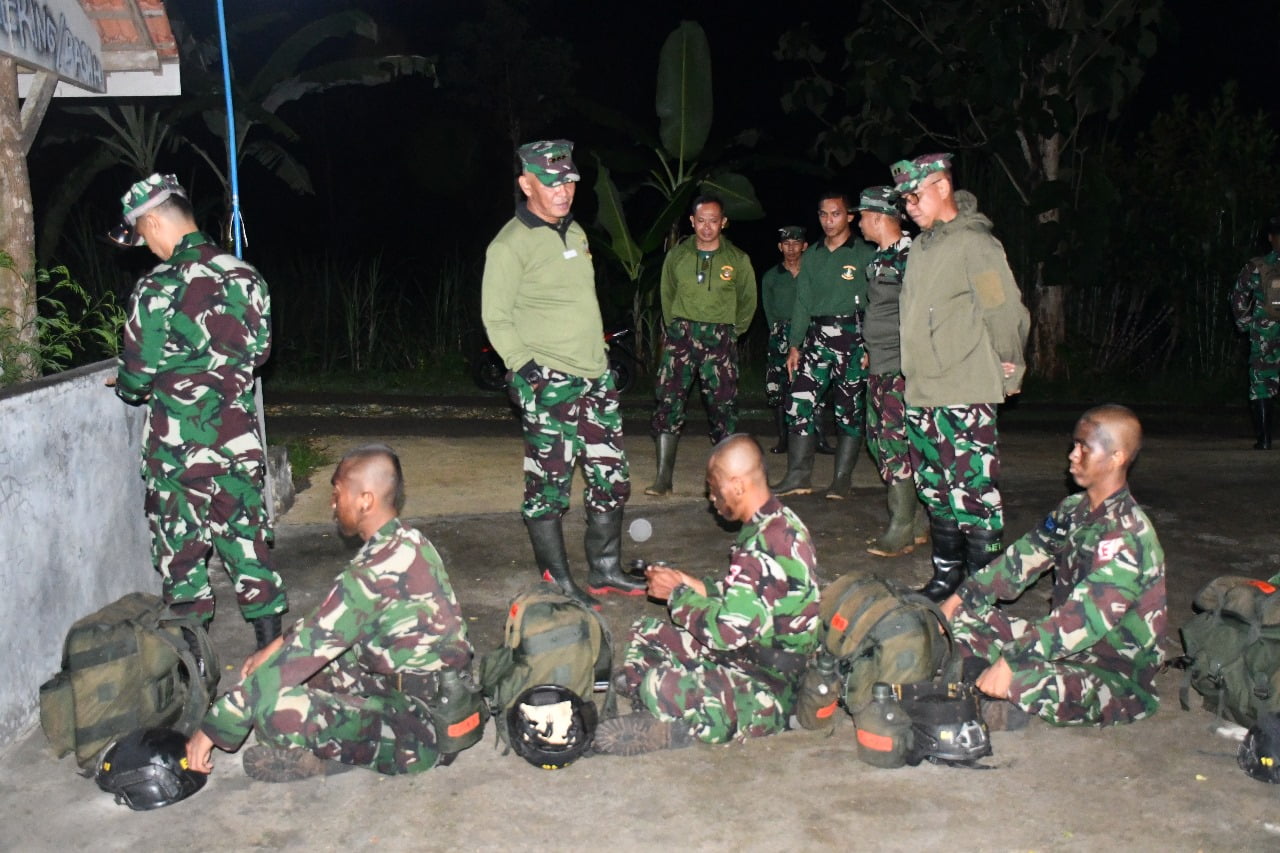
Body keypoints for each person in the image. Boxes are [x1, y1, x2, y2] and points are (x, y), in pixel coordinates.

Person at [185, 445, 478, 781]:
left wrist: (211, 729)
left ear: (365, 500)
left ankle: (345, 755)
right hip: (430, 692)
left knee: (274, 710)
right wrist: (277, 644)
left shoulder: (373, 572)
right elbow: (331, 620)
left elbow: (307, 650)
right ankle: (346, 735)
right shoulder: (406, 540)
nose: (333, 504)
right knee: (286, 669)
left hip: (420, 727)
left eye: (337, 493)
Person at [109, 172, 286, 650]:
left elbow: (136, 378)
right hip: (236, 445)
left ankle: (196, 678)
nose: (146, 245)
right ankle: (272, 661)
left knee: (182, 565)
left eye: (142, 233)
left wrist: (127, 383)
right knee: (249, 550)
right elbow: (260, 354)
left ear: (151, 220)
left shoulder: (156, 287)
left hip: (178, 457)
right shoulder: (248, 276)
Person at [481, 139, 641, 608]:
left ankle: (605, 569)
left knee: (611, 478)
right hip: (550, 381)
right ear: (526, 183)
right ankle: (557, 580)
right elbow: (496, 317)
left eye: (569, 181)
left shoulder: (575, 233)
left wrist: (602, 362)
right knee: (548, 489)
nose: (564, 191)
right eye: (552, 182)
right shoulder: (509, 244)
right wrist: (526, 371)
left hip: (596, 378)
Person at [940, 405, 1167, 728]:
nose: (1072, 455)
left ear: (1116, 458)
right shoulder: (1073, 509)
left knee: (1021, 676)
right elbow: (1021, 559)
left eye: (1084, 448)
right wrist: (959, 599)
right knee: (960, 619)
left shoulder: (1127, 534)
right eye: (1074, 445)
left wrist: (1012, 658)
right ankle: (985, 685)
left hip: (1114, 674)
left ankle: (993, 691)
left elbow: (1084, 620)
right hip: (1065, 648)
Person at [596, 435, 821, 755]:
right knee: (647, 633)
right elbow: (744, 597)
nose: (710, 496)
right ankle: (656, 699)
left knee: (661, 684)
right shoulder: (773, 522)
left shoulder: (766, 544)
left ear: (738, 485)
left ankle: (679, 716)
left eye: (714, 487)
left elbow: (728, 632)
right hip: (750, 652)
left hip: (773, 684)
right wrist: (687, 582)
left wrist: (677, 596)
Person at [891, 153, 1030, 602]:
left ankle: (983, 589)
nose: (909, 206)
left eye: (916, 195)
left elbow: (1003, 310)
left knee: (973, 493)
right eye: (904, 199)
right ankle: (947, 575)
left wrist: (1010, 365)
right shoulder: (922, 247)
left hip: (964, 389)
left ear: (943, 187)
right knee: (935, 489)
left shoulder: (975, 244)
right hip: (924, 390)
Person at [645, 195, 757, 495]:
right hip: (681, 335)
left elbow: (748, 301)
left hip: (719, 339)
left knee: (723, 408)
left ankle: (726, 480)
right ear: (692, 222)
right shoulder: (677, 256)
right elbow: (666, 293)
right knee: (668, 402)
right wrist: (675, 328)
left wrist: (734, 333)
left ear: (723, 222)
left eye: (714, 220)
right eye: (701, 220)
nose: (708, 227)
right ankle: (663, 478)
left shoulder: (737, 259)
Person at [772, 190, 877, 498]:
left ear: (849, 217)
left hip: (853, 337)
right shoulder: (813, 255)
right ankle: (798, 476)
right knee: (798, 402)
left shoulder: (864, 254)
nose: (829, 221)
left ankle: (842, 478)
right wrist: (795, 345)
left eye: (836, 214)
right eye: (823, 215)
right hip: (817, 337)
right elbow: (802, 302)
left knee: (849, 410)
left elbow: (877, 302)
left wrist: (871, 345)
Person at [855, 186, 927, 557]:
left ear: (880, 217)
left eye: (863, 215)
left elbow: (921, 312)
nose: (859, 221)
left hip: (900, 367)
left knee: (894, 444)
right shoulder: (881, 258)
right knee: (878, 440)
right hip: (879, 362)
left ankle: (902, 524)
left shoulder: (911, 257)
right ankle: (915, 521)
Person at [1228, 215, 1280, 450]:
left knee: (1261, 382)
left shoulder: (1257, 266)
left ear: (1271, 238)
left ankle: (1265, 440)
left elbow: (1238, 295)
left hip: (1264, 333)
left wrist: (1246, 323)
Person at [761, 226, 808, 455]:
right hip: (780, 334)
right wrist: (777, 333)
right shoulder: (771, 276)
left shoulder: (812, 273)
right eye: (786, 244)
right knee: (779, 389)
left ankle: (815, 439)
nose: (791, 248)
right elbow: (768, 309)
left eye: (796, 243)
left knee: (809, 385)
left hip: (808, 332)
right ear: (780, 247)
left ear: (804, 246)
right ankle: (783, 439)